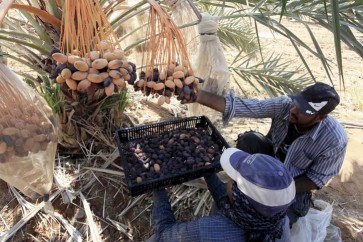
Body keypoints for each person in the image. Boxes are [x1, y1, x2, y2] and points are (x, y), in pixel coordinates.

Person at [191, 82, 348, 226]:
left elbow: (315, 180)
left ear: (320, 117)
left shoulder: (335, 141)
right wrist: (196, 95)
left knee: (269, 225)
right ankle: (244, 184)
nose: (293, 110)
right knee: (250, 140)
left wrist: (272, 192)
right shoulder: (285, 106)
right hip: (267, 163)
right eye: (297, 103)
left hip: (291, 186)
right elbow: (242, 106)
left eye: (302, 111)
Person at [147, 148, 296, 242]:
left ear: (239, 199)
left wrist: (158, 187)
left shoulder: (208, 231)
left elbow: (164, 233)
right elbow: (226, 199)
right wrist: (207, 172)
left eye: (233, 179)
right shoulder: (280, 224)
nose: (229, 180)